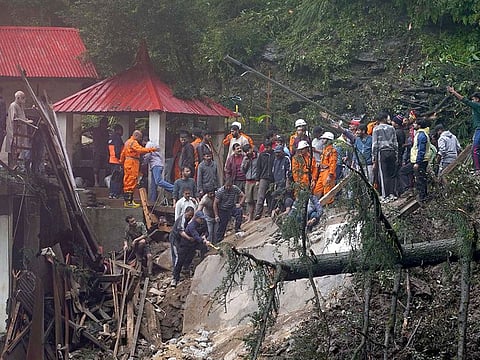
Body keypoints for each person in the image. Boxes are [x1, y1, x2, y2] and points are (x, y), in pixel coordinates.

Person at [171, 210, 210, 287]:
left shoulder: (204, 223)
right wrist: (203, 241)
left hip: (194, 244)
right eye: (200, 219)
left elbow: (207, 232)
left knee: (191, 256)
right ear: (196, 218)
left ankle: (188, 269)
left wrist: (205, 236)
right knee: (180, 260)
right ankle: (175, 278)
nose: (202, 220)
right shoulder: (192, 225)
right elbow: (195, 235)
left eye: (203, 219)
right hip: (185, 244)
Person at [120, 130, 158, 208]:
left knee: (128, 181)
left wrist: (121, 162)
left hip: (128, 162)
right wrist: (151, 149)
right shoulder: (133, 142)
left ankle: (128, 201)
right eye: (140, 137)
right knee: (131, 181)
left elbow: (122, 154)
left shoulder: (127, 142)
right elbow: (140, 150)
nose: (140, 139)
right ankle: (129, 202)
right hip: (132, 162)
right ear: (136, 135)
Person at [447, 86, 480, 174]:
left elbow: (465, 100)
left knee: (475, 149)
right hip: (477, 129)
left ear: (477, 99)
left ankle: (477, 169)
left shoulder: (477, 105)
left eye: (473, 99)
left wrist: (454, 92)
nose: (472, 101)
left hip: (479, 129)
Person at [372, 111, 398, 200]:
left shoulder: (376, 129)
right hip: (391, 151)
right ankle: (392, 193)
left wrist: (374, 157)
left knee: (383, 174)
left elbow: (375, 144)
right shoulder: (392, 128)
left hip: (382, 152)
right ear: (384, 119)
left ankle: (385, 195)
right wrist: (396, 154)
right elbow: (395, 142)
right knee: (391, 173)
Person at [2, 90, 33, 168]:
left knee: (18, 153)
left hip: (20, 135)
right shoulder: (13, 106)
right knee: (13, 153)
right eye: (23, 98)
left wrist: (26, 120)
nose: (24, 99)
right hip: (14, 134)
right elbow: (15, 119)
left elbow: (22, 117)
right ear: (18, 98)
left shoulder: (21, 106)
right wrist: (26, 122)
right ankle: (11, 170)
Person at [214, 177, 245, 242]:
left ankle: (237, 228)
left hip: (231, 207)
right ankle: (218, 240)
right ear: (224, 184)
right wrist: (216, 215)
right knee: (222, 225)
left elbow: (243, 195)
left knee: (239, 211)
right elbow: (215, 204)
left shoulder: (234, 188)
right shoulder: (220, 191)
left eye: (229, 186)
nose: (228, 187)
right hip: (223, 209)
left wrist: (240, 204)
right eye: (227, 186)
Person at [143, 138, 174, 203]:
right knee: (153, 185)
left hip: (155, 165)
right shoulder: (153, 144)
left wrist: (144, 162)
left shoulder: (148, 145)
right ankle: (152, 200)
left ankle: (174, 188)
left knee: (158, 181)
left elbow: (147, 155)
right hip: (158, 165)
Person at [314, 132, 338, 203]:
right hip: (322, 172)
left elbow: (333, 164)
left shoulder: (332, 150)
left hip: (328, 172)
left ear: (329, 140)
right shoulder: (325, 149)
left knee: (327, 189)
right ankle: (316, 204)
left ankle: (329, 205)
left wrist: (330, 175)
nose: (322, 140)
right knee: (317, 189)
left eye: (324, 139)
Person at [254, 139, 274, 220]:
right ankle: (258, 213)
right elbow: (258, 167)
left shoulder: (274, 154)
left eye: (268, 147)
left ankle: (269, 212)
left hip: (272, 178)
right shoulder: (262, 155)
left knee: (271, 196)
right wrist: (257, 179)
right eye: (265, 147)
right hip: (263, 178)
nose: (266, 149)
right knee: (261, 196)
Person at [241, 143, 259, 222]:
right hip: (248, 180)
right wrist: (246, 162)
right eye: (246, 152)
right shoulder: (245, 159)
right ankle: (250, 216)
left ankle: (257, 215)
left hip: (256, 180)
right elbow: (242, 170)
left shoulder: (258, 157)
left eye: (248, 150)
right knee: (249, 200)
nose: (248, 152)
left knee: (256, 198)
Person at [90, 117, 110, 187]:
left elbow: (107, 142)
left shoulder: (106, 132)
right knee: (96, 167)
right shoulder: (96, 130)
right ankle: (96, 182)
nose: (106, 126)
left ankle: (103, 182)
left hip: (104, 151)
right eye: (105, 124)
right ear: (101, 124)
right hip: (97, 150)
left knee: (105, 166)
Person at [108, 124, 124, 199]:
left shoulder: (110, 138)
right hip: (117, 161)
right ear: (119, 130)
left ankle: (111, 193)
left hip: (111, 160)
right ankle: (115, 194)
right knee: (117, 178)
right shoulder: (117, 138)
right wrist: (120, 160)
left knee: (113, 177)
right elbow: (117, 150)